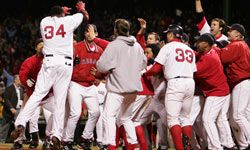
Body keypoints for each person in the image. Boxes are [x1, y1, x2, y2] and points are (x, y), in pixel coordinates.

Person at [11, 1, 88, 149]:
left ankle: (20, 123)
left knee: (37, 94)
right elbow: (83, 16)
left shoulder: (44, 21)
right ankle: (56, 136)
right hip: (65, 64)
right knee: (60, 101)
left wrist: (60, 12)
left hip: (49, 62)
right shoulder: (69, 20)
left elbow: (54, 17)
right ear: (62, 14)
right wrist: (81, 9)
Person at [96, 18, 147, 149]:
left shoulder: (114, 45)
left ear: (115, 30)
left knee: (109, 116)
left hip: (117, 89)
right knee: (126, 118)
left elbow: (101, 66)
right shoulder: (137, 46)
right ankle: (133, 145)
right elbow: (143, 64)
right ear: (128, 31)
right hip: (133, 90)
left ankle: (111, 145)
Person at [144, 24, 196, 150]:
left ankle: (179, 148)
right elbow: (194, 70)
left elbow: (156, 68)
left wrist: (145, 73)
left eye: (168, 33)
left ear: (172, 34)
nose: (167, 35)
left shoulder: (168, 47)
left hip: (175, 82)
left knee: (172, 119)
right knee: (185, 118)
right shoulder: (189, 49)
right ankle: (187, 147)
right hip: (190, 82)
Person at [61, 24, 103, 150]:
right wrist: (72, 64)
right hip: (75, 83)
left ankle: (85, 138)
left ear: (96, 34)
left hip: (90, 85)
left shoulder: (100, 50)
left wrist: (99, 77)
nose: (89, 34)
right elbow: (65, 64)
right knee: (75, 113)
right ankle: (66, 141)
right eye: (87, 32)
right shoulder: (76, 47)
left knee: (96, 112)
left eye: (92, 32)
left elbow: (102, 69)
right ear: (84, 34)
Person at [195, 33, 235, 150]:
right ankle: (229, 144)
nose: (197, 43)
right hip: (223, 89)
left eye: (200, 41)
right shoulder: (213, 50)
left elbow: (194, 71)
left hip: (217, 92)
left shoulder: (209, 58)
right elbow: (199, 53)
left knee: (207, 120)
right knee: (221, 118)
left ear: (206, 44)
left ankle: (216, 147)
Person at [17, 38, 54, 149]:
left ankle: (48, 138)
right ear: (35, 47)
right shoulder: (30, 61)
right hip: (33, 94)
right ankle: (33, 140)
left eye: (44, 44)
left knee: (58, 112)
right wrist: (26, 81)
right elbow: (23, 74)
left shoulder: (51, 60)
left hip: (48, 95)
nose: (42, 46)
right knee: (31, 117)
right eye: (39, 45)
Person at [219, 23, 250, 150]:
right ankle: (243, 145)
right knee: (235, 117)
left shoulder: (237, 44)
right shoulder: (244, 45)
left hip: (241, 83)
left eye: (231, 31)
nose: (228, 33)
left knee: (238, 116)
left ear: (238, 34)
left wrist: (217, 48)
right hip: (243, 83)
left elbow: (222, 58)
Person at [0, 75, 23, 143]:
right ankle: (1, 141)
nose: (21, 80)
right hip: (10, 111)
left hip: (19, 110)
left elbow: (21, 99)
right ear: (15, 80)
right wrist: (11, 108)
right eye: (19, 79)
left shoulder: (21, 89)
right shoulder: (9, 88)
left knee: (19, 126)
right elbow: (6, 99)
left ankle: (18, 141)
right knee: (4, 127)